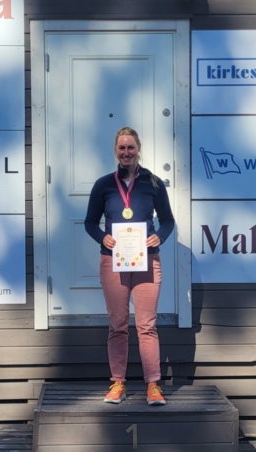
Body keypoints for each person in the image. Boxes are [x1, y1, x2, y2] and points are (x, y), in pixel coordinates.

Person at [84, 127, 175, 405]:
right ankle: (118, 384)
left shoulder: (153, 183)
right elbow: (90, 222)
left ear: (138, 149)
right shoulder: (103, 185)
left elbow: (168, 220)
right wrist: (103, 237)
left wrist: (160, 236)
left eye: (131, 147)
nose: (126, 153)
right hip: (113, 261)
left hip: (147, 260)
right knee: (118, 325)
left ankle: (153, 386)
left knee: (147, 325)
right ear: (116, 150)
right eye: (122, 148)